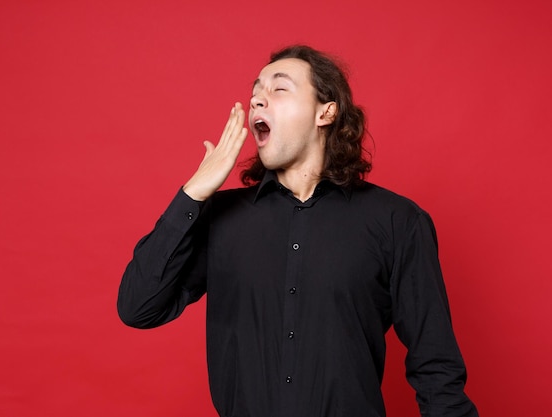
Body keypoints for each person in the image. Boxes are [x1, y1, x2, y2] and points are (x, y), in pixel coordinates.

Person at [117, 45, 478, 417]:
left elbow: (437, 368)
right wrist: (193, 193)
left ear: (326, 111)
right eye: (256, 91)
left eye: (279, 88)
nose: (258, 99)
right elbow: (138, 307)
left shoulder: (397, 221)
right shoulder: (219, 218)